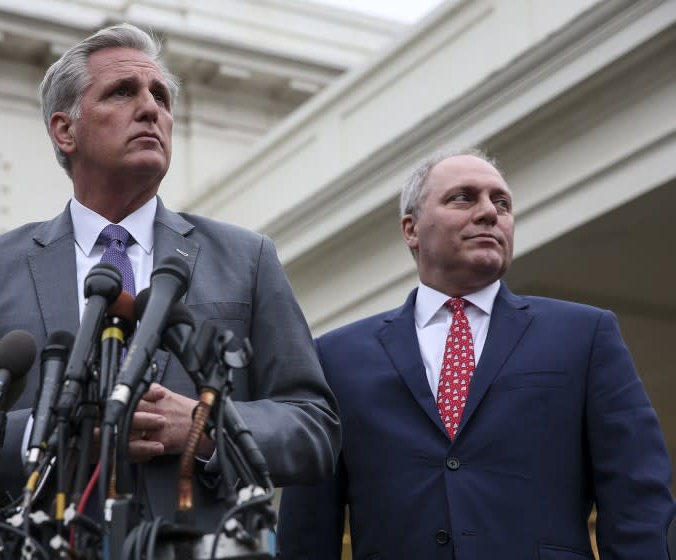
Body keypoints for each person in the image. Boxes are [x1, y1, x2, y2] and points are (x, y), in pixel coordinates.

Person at [0, 23, 340, 529]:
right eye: (123, 92)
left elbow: (314, 428)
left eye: (161, 97)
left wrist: (202, 426)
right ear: (65, 130)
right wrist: (55, 431)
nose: (151, 109)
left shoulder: (247, 258)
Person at [277, 150, 675, 559]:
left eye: (501, 203)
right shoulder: (336, 357)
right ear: (411, 229)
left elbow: (636, 492)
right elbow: (306, 527)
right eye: (463, 198)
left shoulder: (585, 334)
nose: (489, 212)